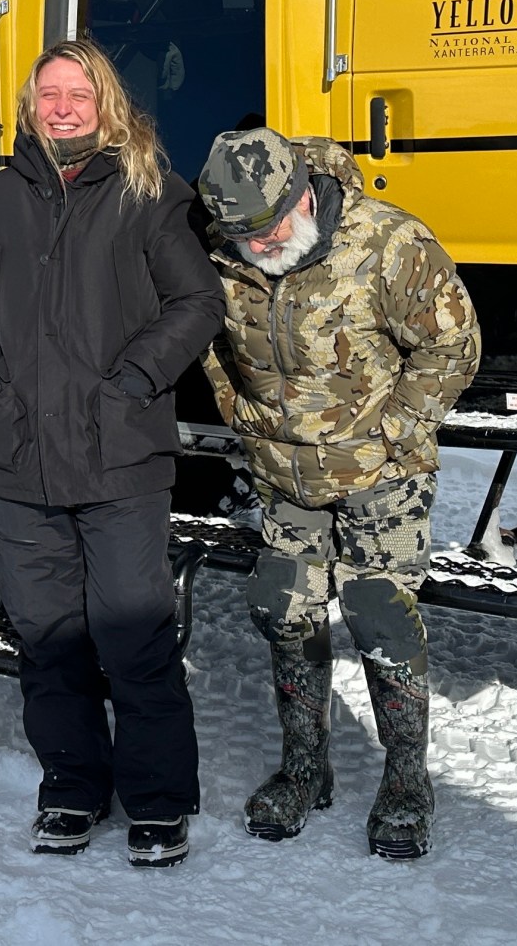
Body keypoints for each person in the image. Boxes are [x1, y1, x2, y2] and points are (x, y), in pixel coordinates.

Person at [0, 40, 223, 867]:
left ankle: (159, 800)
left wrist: (132, 379)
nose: (62, 108)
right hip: (19, 457)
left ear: (106, 106)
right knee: (48, 635)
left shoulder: (150, 196)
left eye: (79, 95)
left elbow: (196, 300)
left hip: (119, 458)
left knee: (133, 633)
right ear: (29, 107)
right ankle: (70, 786)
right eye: (49, 95)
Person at [194, 128, 480, 861]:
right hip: (283, 474)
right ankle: (303, 768)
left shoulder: (387, 243)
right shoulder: (222, 248)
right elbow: (207, 343)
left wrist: (395, 430)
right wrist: (239, 413)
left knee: (381, 618)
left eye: (274, 226)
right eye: (244, 235)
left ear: (302, 194)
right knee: (284, 613)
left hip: (382, 475)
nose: (263, 245)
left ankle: (408, 780)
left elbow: (455, 344)